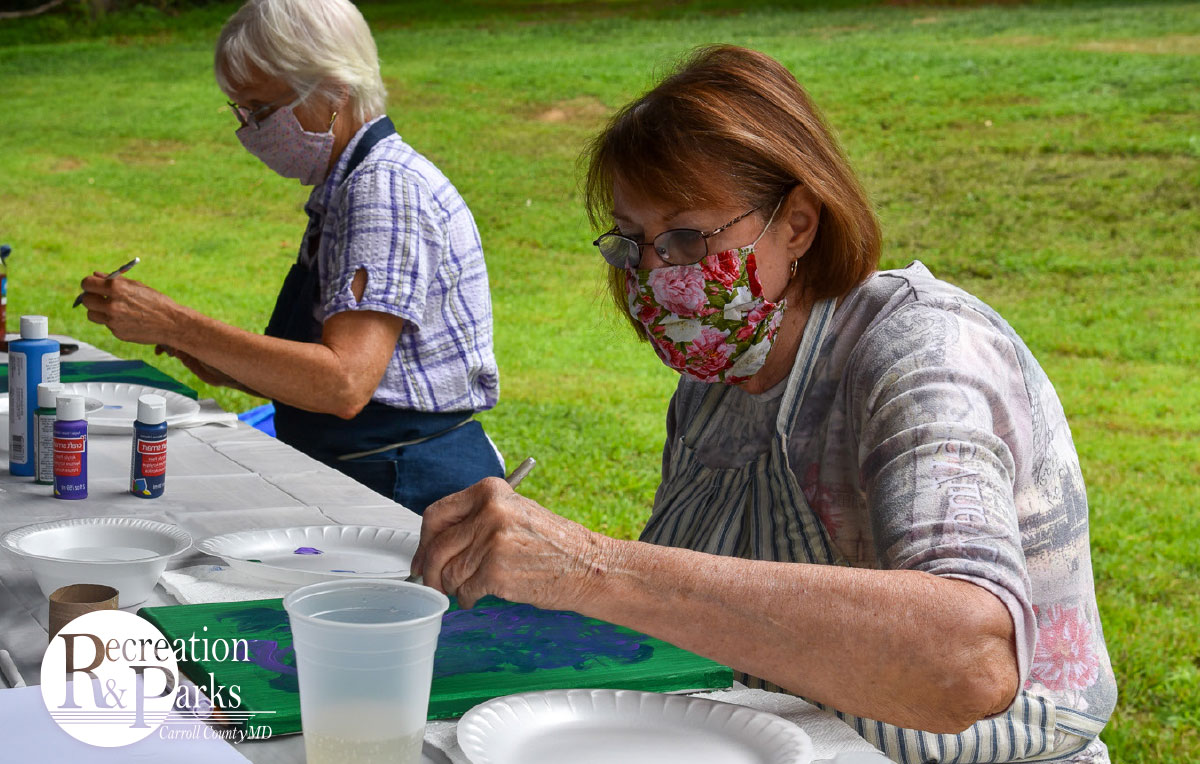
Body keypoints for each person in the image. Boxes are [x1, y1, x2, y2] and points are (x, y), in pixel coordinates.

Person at [413, 45, 1116, 762]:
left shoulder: (923, 349)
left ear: (799, 223)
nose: (654, 275)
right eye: (632, 243)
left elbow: (968, 660)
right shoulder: (717, 379)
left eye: (687, 237)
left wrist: (590, 569)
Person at [79, 0, 504, 513]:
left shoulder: (381, 189)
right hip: (369, 466)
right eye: (241, 111)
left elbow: (343, 383)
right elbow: (332, 374)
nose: (248, 130)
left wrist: (178, 325)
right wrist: (213, 356)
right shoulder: (347, 185)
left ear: (332, 89)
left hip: (403, 484)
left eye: (260, 110)